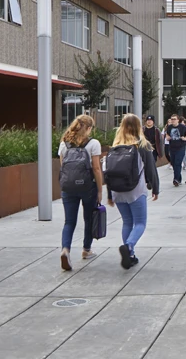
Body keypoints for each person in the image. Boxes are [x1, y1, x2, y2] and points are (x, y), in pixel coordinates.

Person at [106, 113, 160, 269]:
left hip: (117, 191)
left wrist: (109, 194)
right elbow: (151, 169)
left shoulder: (115, 146)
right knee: (140, 222)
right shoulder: (142, 145)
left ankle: (130, 256)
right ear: (138, 127)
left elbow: (108, 172)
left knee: (127, 222)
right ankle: (129, 246)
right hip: (136, 190)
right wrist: (155, 188)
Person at [57, 114, 104, 271]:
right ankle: (86, 250)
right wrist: (100, 190)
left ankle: (65, 250)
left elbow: (63, 167)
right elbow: (96, 168)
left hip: (68, 187)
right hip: (87, 187)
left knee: (69, 221)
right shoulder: (93, 143)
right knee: (89, 219)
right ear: (89, 128)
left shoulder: (64, 143)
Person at [164, 114, 186, 186]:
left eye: (174, 119)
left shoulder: (182, 127)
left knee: (177, 163)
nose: (173, 120)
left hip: (180, 147)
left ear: (178, 120)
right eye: (172, 119)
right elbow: (167, 134)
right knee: (173, 163)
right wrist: (167, 137)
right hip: (172, 147)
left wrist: (185, 138)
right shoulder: (169, 127)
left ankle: (176, 179)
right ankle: (179, 178)